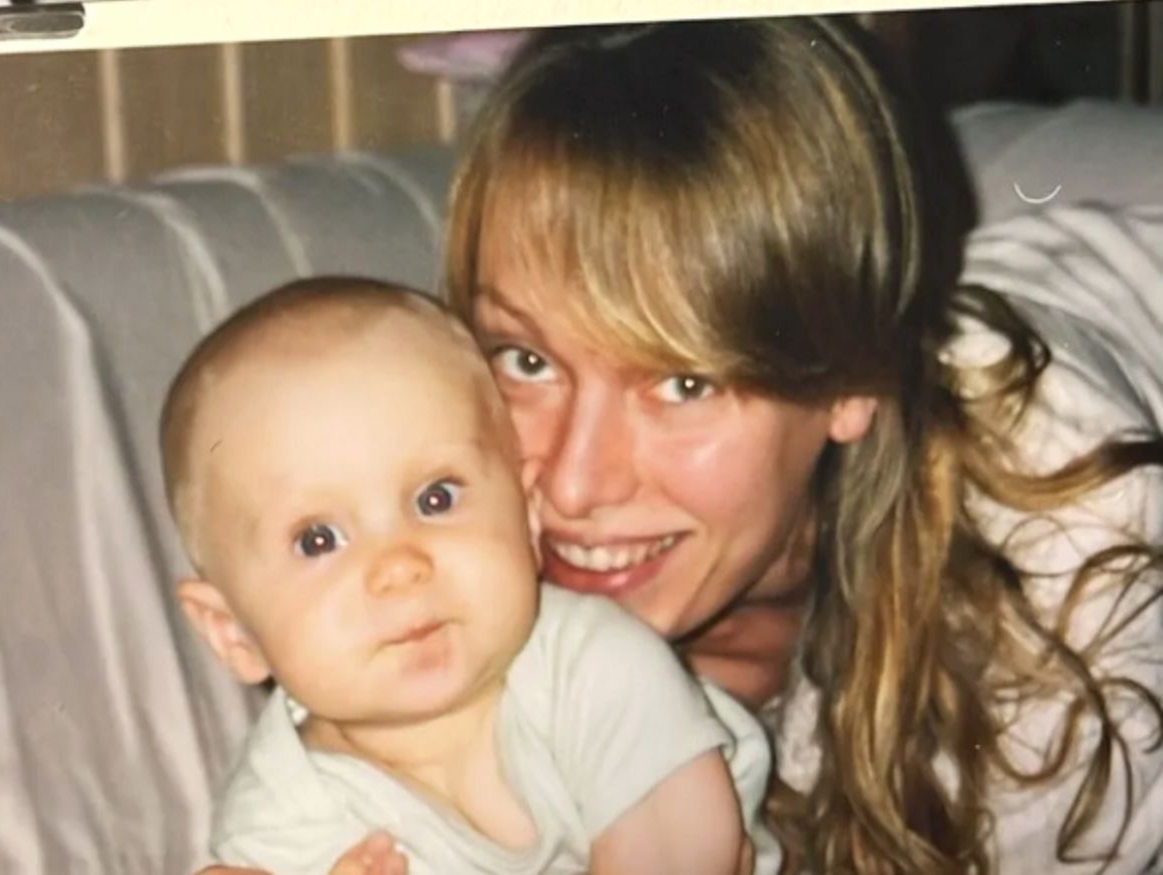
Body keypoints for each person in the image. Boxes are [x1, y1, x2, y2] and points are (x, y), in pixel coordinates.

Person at [211, 15, 1163, 875]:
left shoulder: (1063, 536)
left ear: (851, 380)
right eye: (527, 359)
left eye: (683, 383)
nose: (574, 485)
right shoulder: (457, 567)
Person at [160, 277, 778, 875]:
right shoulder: (275, 819)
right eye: (317, 539)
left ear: (526, 516)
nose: (399, 566)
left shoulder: (591, 666)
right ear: (231, 633)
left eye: (436, 499)